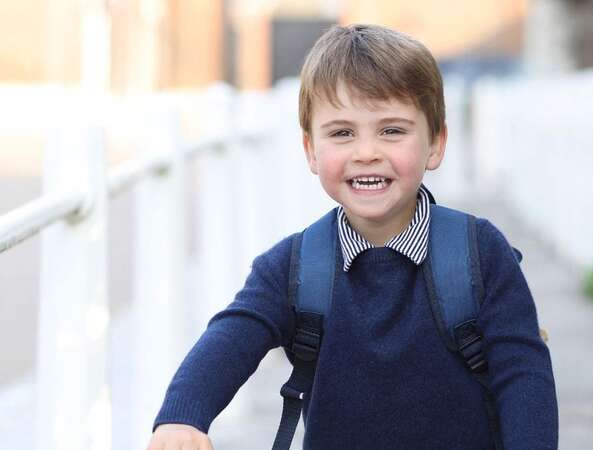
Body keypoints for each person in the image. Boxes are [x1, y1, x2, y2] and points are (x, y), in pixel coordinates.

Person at [146, 24, 558, 450]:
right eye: (342, 133)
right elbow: (232, 335)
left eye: (392, 130)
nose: (366, 152)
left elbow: (523, 371)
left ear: (435, 143)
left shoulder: (480, 253)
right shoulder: (293, 268)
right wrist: (183, 415)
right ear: (310, 150)